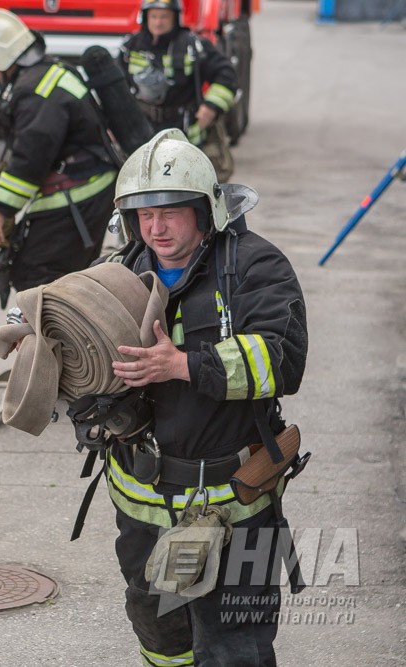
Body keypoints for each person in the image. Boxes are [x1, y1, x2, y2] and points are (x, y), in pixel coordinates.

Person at [100, 129, 308, 665]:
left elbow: (283, 360)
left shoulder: (257, 267)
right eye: (145, 215)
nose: (156, 228)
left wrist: (184, 365)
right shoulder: (122, 270)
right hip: (144, 505)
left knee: (236, 647)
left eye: (170, 212)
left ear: (204, 210)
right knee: (162, 641)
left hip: (234, 508)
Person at [0, 8, 118, 308]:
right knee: (56, 273)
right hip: (88, 189)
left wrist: (2, 210)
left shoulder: (36, 91)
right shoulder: (47, 75)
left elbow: (30, 155)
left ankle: (53, 335)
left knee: (38, 272)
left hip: (81, 192)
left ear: (2, 57)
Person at [120, 0, 238, 182]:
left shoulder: (193, 46)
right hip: (142, 132)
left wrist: (210, 107)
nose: (158, 22)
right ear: (145, 18)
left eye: (164, 17)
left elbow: (227, 76)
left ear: (175, 18)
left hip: (185, 133)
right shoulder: (131, 47)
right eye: (153, 16)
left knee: (188, 184)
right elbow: (117, 87)